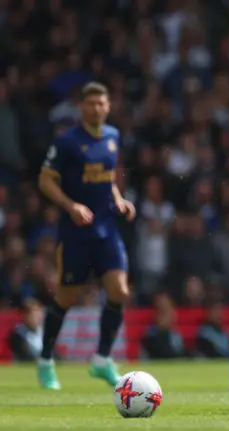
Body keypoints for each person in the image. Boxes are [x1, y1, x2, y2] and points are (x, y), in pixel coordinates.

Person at [36, 82, 136, 389]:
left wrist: (118, 198)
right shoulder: (67, 141)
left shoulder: (112, 136)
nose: (96, 108)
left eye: (100, 103)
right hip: (76, 232)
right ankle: (45, 361)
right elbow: (45, 180)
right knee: (67, 298)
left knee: (119, 291)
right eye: (90, 103)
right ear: (82, 107)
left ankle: (102, 360)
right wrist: (70, 205)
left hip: (106, 229)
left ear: (108, 107)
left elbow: (107, 178)